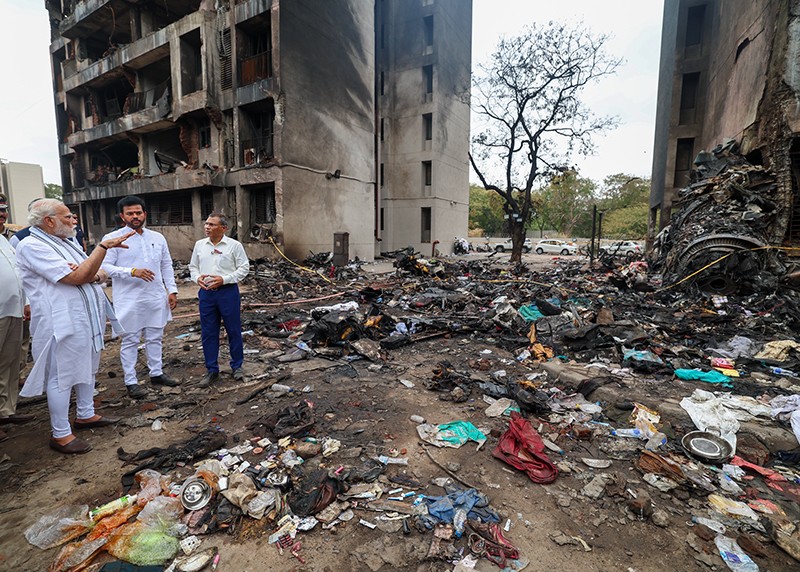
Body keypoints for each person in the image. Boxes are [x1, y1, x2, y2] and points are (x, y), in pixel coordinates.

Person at [16, 199, 133, 454]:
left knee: (87, 367)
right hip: (59, 321)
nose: (73, 220)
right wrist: (101, 248)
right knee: (62, 377)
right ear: (49, 221)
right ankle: (60, 434)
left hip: (84, 318)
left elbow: (96, 273)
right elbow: (79, 276)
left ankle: (85, 413)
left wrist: (89, 272)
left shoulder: (66, 243)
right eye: (68, 216)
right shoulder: (32, 246)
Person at [101, 196, 179, 399]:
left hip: (155, 296)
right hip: (129, 299)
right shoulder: (113, 239)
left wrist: (171, 290)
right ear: (122, 216)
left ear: (145, 213)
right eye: (130, 213)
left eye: (138, 212)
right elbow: (105, 267)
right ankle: (131, 381)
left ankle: (157, 373)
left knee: (155, 336)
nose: (135, 217)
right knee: (130, 339)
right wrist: (131, 271)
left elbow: (166, 265)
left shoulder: (157, 237)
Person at [189, 213, 250, 387]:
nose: (207, 227)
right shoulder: (200, 245)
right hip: (207, 293)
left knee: (233, 330)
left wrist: (225, 279)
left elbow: (244, 268)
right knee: (209, 332)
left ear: (223, 228)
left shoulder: (234, 246)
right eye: (206, 224)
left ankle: (237, 366)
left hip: (227, 292)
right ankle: (212, 370)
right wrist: (197, 278)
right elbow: (193, 267)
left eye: (212, 224)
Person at [0, 195, 34, 441]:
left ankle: (5, 411)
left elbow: (17, 275)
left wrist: (26, 302)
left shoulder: (5, 240)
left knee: (9, 364)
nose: (2, 214)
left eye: (3, 210)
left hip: (13, 311)